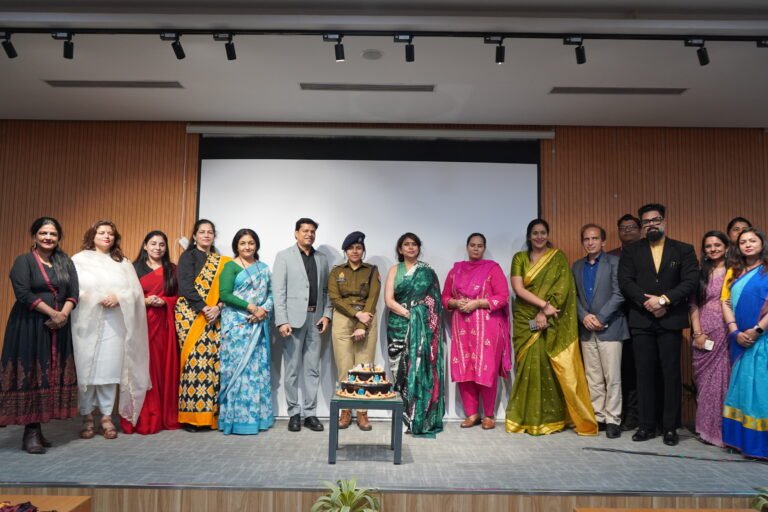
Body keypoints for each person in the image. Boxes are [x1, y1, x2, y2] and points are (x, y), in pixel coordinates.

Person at [505, 219, 596, 436]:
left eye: (542, 233)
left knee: (549, 367)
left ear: (548, 234)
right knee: (528, 366)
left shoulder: (558, 258)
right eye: (535, 233)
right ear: (529, 236)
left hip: (552, 318)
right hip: (525, 319)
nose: (539, 237)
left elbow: (564, 289)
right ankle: (525, 417)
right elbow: (518, 288)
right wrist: (543, 305)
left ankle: (553, 418)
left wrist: (547, 311)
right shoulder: (520, 258)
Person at [618, 204, 698, 446]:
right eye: (646, 221)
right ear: (642, 226)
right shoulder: (632, 251)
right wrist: (648, 303)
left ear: (664, 221)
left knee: (671, 375)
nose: (651, 224)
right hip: (642, 320)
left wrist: (664, 300)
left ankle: (670, 427)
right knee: (644, 375)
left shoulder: (683, 249)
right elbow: (625, 282)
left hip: (670, 319)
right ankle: (646, 426)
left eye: (656, 219)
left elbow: (691, 280)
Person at [0, 217, 79, 454]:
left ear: (58, 238)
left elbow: (74, 292)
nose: (48, 238)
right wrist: (52, 313)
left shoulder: (65, 262)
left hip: (59, 326)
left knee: (49, 374)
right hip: (29, 325)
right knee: (32, 373)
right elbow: (22, 292)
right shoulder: (24, 261)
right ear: (34, 236)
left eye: (53, 234)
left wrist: (63, 314)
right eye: (43, 233)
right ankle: (30, 431)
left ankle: (38, 428)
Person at [70, 220, 149, 440]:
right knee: (87, 368)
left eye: (111, 234)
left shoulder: (122, 262)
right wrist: (92, 297)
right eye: (102, 232)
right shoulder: (79, 260)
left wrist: (118, 297)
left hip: (114, 322)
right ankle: (86, 416)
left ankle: (105, 417)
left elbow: (135, 292)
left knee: (109, 370)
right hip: (85, 322)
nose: (106, 236)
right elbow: (72, 288)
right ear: (92, 235)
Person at [441, 233, 510, 430]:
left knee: (486, 369)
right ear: (467, 247)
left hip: (487, 328)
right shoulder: (456, 270)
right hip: (462, 326)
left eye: (480, 245)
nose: (476, 248)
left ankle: (489, 415)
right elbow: (444, 297)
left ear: (484, 248)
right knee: (465, 369)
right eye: (473, 245)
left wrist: (477, 303)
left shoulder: (492, 269)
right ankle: (472, 414)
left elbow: (503, 297)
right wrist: (456, 302)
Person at [273, 218, 332, 433]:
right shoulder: (284, 257)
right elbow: (278, 292)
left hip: (315, 320)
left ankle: (310, 413)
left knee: (312, 368)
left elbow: (327, 291)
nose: (309, 234)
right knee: (291, 369)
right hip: (292, 321)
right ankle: (294, 413)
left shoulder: (322, 259)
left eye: (313, 231)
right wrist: (282, 320)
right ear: (296, 233)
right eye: (305, 231)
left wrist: (326, 315)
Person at [385, 232, 445, 437]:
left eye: (414, 244)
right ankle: (402, 417)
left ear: (418, 248)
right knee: (399, 372)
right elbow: (388, 300)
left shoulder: (427, 272)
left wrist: (419, 316)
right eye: (406, 244)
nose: (410, 248)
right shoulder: (394, 270)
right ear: (400, 249)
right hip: (397, 325)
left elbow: (435, 301)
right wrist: (408, 313)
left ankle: (418, 416)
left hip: (422, 330)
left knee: (418, 370)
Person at [120, 230, 180, 435]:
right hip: (140, 324)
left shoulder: (172, 269)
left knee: (161, 369)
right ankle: (144, 416)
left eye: (162, 244)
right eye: (153, 244)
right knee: (142, 369)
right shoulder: (133, 268)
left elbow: (179, 297)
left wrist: (166, 301)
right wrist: (144, 301)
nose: (157, 248)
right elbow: (125, 295)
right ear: (145, 246)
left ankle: (163, 415)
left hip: (163, 326)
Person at [572, 224, 628, 439]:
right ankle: (599, 417)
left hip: (610, 327)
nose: (590, 242)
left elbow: (619, 294)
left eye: (595, 238)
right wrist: (584, 316)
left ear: (603, 241)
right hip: (586, 328)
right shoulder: (576, 266)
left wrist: (601, 317)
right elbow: (574, 296)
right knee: (593, 377)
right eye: (586, 239)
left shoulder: (614, 262)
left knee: (612, 376)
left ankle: (614, 418)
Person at [218, 229, 274, 435]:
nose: (247, 247)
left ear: (256, 245)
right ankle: (235, 420)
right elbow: (224, 294)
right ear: (236, 246)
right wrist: (252, 308)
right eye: (243, 243)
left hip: (258, 325)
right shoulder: (230, 267)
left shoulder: (264, 268)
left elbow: (271, 293)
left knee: (256, 371)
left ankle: (257, 419)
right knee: (237, 371)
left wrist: (263, 310)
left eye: (251, 243)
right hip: (236, 325)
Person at [175, 219, 230, 430]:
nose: (206, 235)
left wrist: (217, 307)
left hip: (214, 315)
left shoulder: (221, 261)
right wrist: (203, 307)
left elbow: (226, 288)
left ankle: (210, 417)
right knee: (193, 364)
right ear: (195, 236)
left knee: (211, 365)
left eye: (210, 232)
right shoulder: (188, 257)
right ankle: (191, 417)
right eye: (202, 232)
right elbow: (186, 286)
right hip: (191, 314)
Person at [721, 227, 768, 459]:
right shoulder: (734, 271)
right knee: (741, 390)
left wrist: (757, 330)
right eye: (743, 242)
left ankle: (760, 445)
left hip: (762, 341)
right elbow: (726, 303)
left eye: (752, 240)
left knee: (760, 391)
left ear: (762, 243)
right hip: (739, 339)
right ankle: (740, 441)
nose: (747, 244)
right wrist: (734, 331)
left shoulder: (767, 270)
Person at [328, 231, 381, 431]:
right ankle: (345, 410)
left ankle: (362, 413)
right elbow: (335, 298)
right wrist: (355, 316)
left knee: (363, 367)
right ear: (345, 251)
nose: (355, 251)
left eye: (358, 248)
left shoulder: (371, 270)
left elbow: (373, 297)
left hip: (367, 318)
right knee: (344, 367)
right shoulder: (336, 271)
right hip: (342, 318)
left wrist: (361, 323)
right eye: (351, 248)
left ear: (363, 250)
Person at [688, 230, 730, 447]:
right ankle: (705, 429)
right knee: (705, 385)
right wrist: (697, 332)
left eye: (717, 245)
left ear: (726, 246)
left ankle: (721, 431)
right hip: (702, 331)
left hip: (726, 331)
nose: (713, 249)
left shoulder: (735, 271)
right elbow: (693, 304)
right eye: (708, 246)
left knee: (722, 381)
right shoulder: (700, 273)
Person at [607, 213, 642, 431]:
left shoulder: (649, 253)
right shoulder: (610, 256)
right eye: (623, 227)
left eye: (631, 227)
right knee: (621, 370)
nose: (627, 230)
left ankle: (640, 415)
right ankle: (622, 414)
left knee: (641, 369)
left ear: (640, 229)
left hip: (643, 316)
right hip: (616, 319)